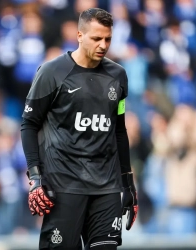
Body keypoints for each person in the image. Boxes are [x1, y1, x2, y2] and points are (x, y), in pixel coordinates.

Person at [21, 8, 138, 250]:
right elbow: (29, 124)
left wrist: (128, 184)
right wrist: (35, 178)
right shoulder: (52, 72)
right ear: (79, 35)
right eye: (96, 38)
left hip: (106, 188)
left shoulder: (118, 75)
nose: (103, 45)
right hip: (64, 186)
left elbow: (119, 131)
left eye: (108, 39)